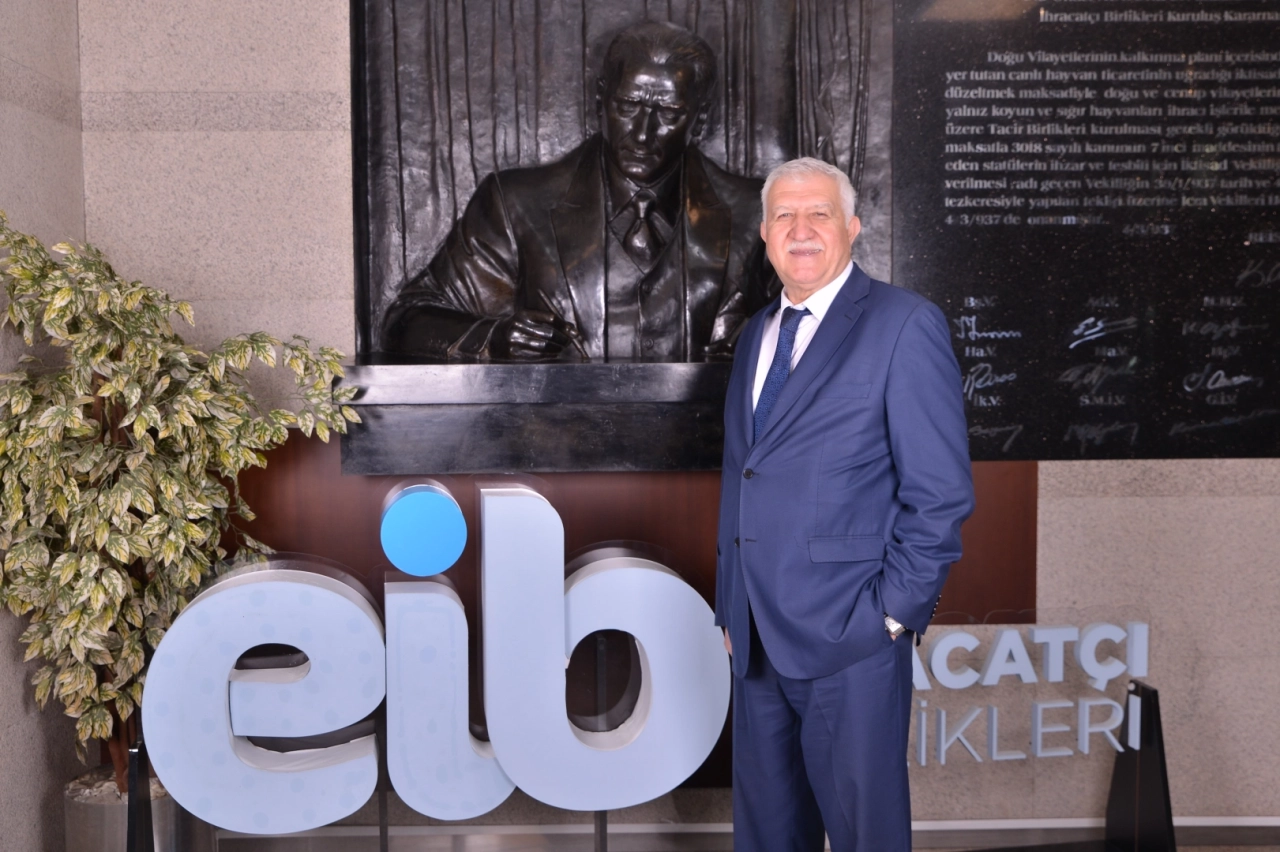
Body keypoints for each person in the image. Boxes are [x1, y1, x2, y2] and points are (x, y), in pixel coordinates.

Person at [715, 158, 974, 851]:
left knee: (866, 836)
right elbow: (745, 476)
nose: (800, 230)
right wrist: (730, 606)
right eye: (784, 216)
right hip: (755, 641)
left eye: (819, 214)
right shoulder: (756, 335)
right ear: (764, 233)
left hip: (852, 637)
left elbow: (940, 494)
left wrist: (890, 615)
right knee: (769, 836)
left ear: (853, 227)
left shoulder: (904, 325)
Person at [380, 21, 770, 363]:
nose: (642, 133)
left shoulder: (757, 211)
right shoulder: (518, 204)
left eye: (668, 113)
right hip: (553, 426)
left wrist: (765, 338)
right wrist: (492, 339)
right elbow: (406, 319)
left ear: (700, 118)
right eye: (627, 106)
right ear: (601, 100)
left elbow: (804, 323)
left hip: (711, 426)